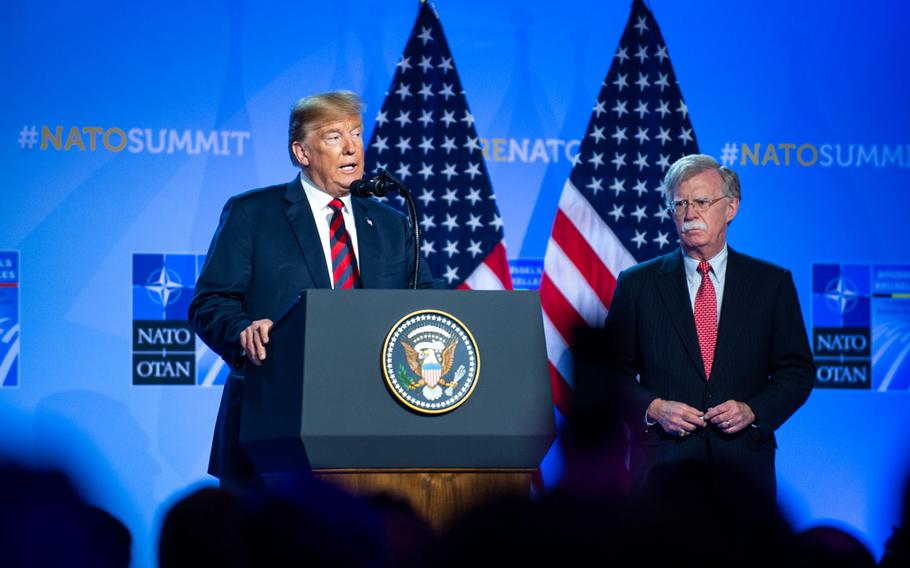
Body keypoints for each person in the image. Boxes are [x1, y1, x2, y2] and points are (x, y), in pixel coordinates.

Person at [190, 91, 436, 489]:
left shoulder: (392, 223)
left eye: (356, 133)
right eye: (334, 136)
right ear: (302, 152)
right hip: (274, 423)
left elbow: (425, 299)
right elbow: (211, 301)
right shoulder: (253, 213)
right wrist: (243, 330)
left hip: (379, 424)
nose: (352, 146)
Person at [604, 154, 814, 498]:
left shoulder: (770, 284)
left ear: (730, 208)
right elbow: (610, 372)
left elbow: (797, 371)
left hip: (742, 470)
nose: (690, 214)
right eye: (680, 203)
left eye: (702, 201)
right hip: (662, 471)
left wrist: (753, 411)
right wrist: (654, 409)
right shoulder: (637, 284)